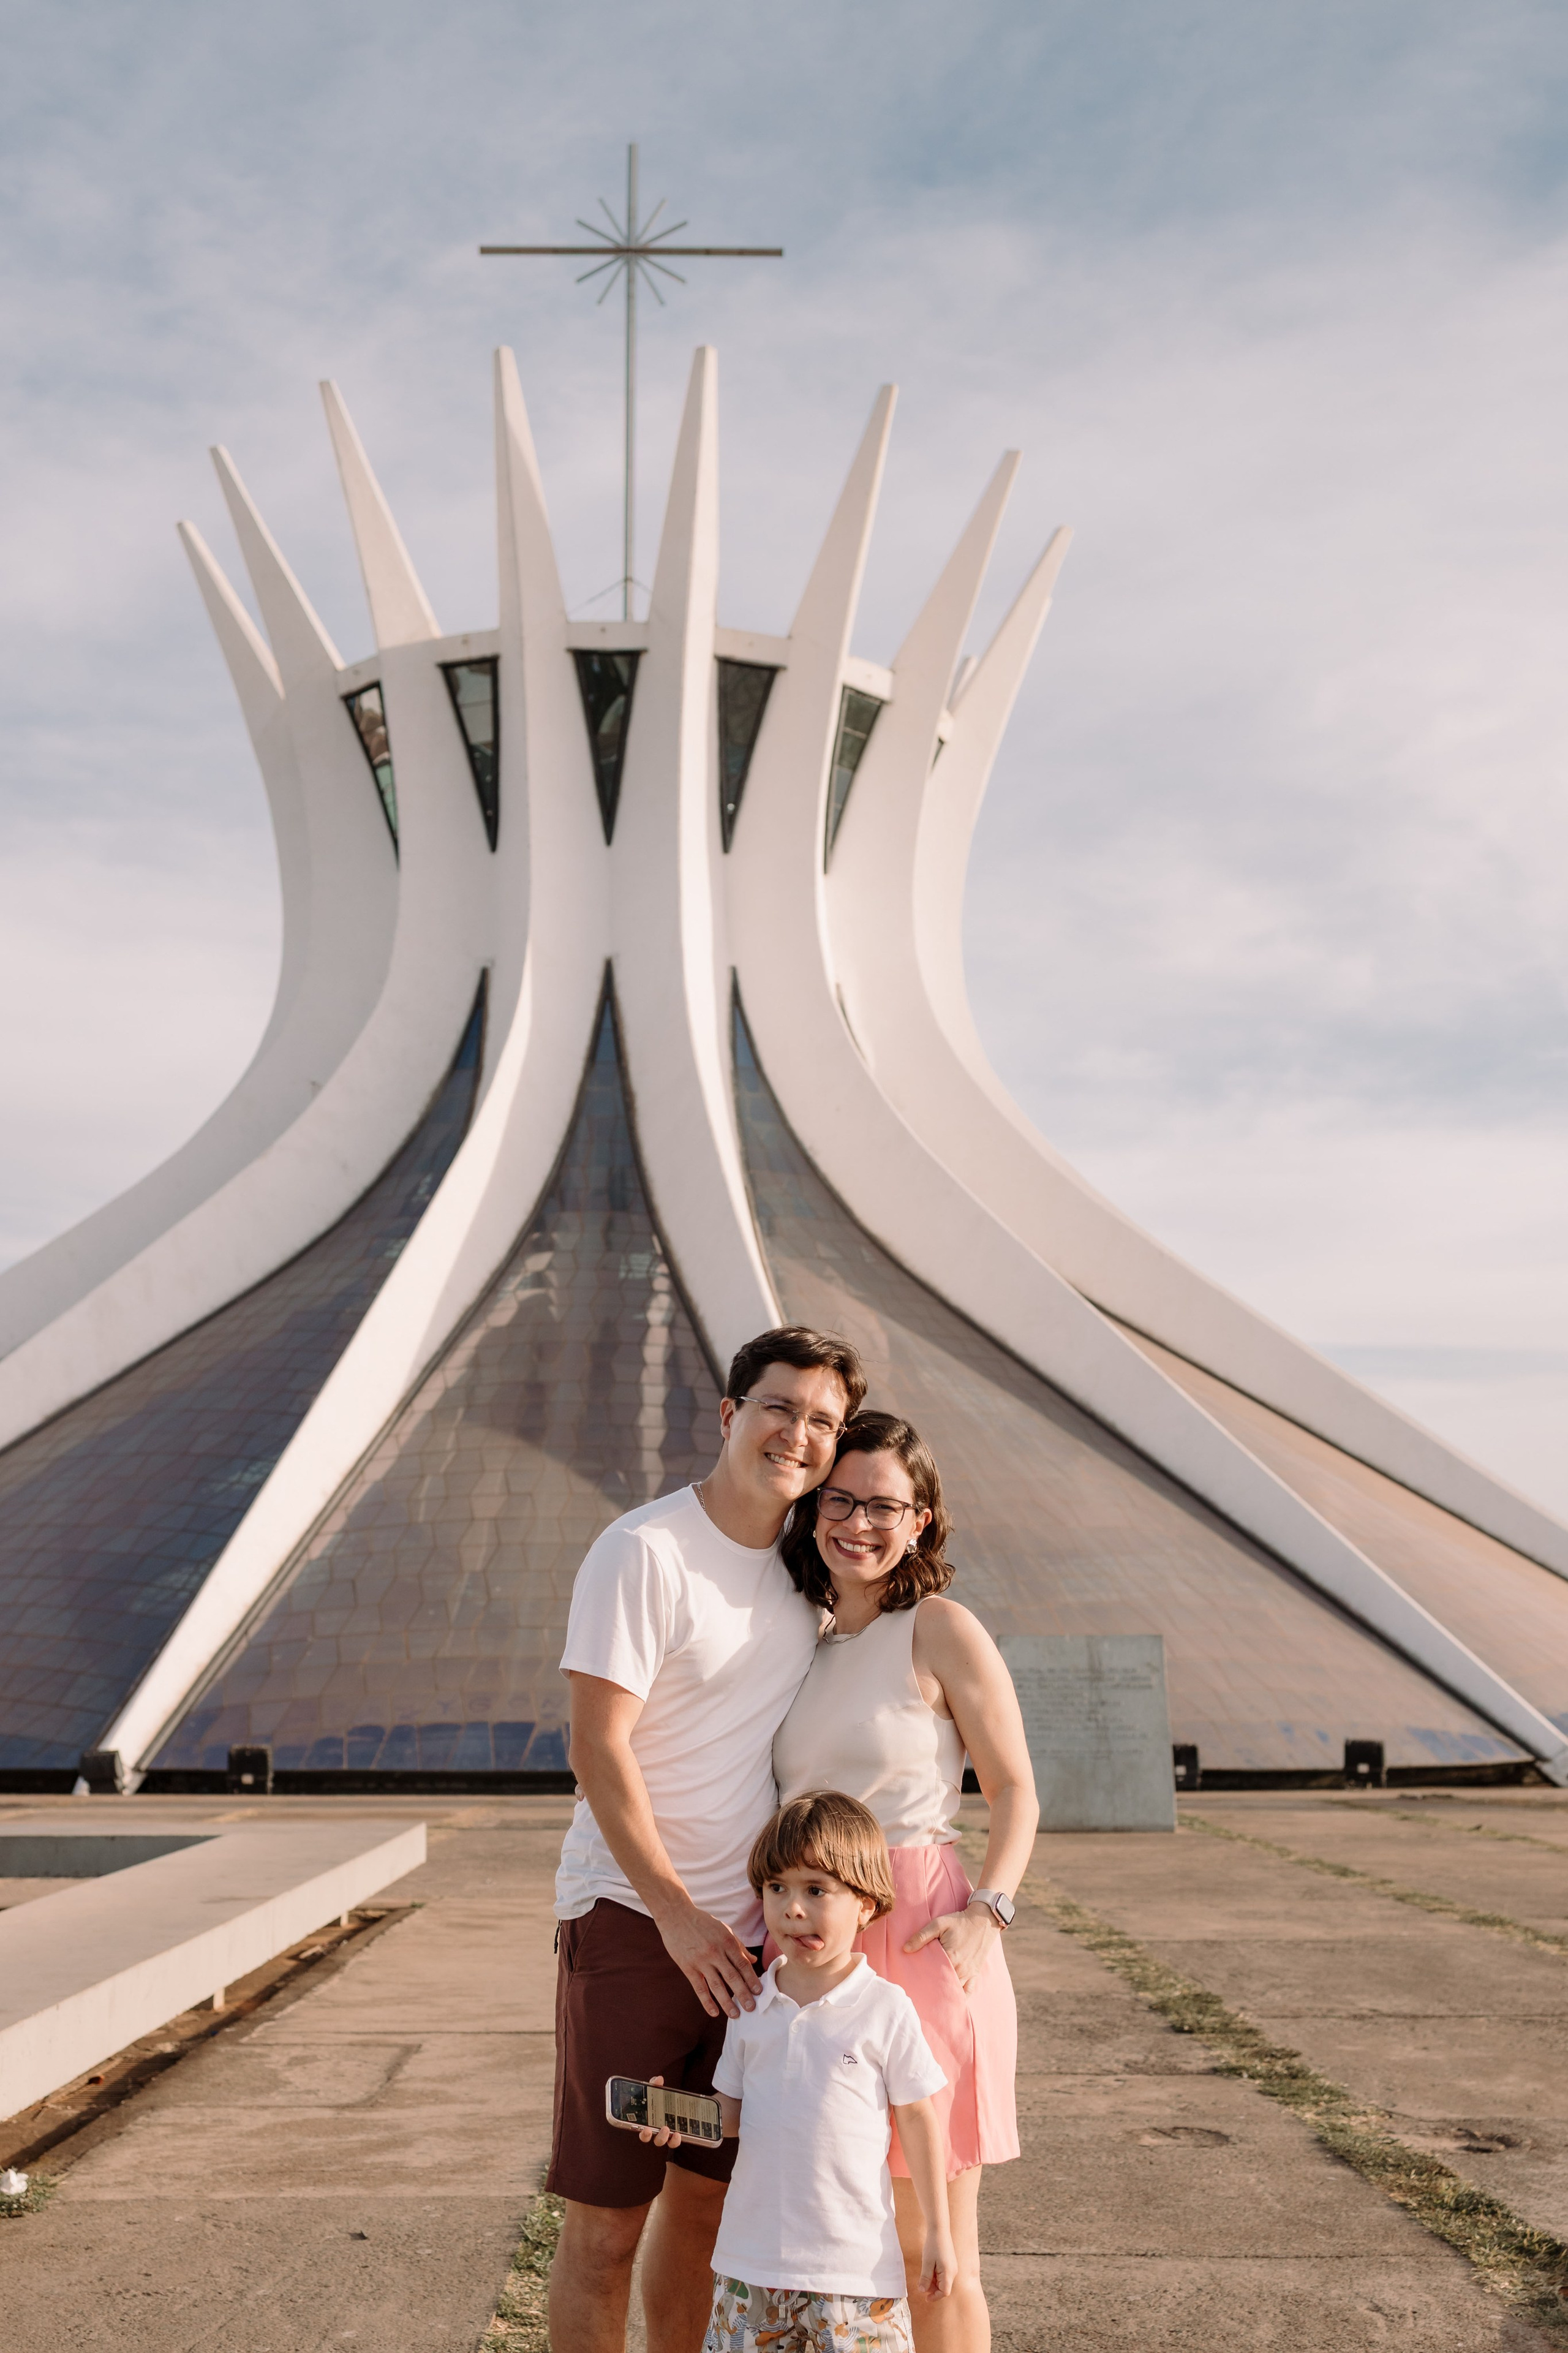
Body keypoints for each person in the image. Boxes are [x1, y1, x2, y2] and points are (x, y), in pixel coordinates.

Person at [548, 1325, 867, 2353]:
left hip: (755, 1951)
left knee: (703, 2225)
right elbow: (598, 1748)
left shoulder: (802, 1573)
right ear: (731, 1415)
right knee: (606, 2229)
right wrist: (679, 1917)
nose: (799, 1434)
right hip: (641, 1926)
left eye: (823, 1421)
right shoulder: (643, 1551)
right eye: (781, 1407)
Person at [773, 1412, 1039, 2353]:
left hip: (922, 1927)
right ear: (812, 1510)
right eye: (840, 1500)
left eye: (885, 1504)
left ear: (921, 1519)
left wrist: (987, 1914)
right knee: (841, 2229)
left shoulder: (940, 1628)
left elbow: (1015, 1789)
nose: (859, 1522)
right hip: (811, 1940)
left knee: (933, 2239)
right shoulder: (793, 1636)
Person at [639, 1791, 957, 2353]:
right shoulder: (751, 2005)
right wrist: (679, 2121)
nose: (792, 1908)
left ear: (866, 1904)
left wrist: (938, 2231)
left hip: (857, 2278)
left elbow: (918, 2118)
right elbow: (730, 2113)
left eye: (816, 1889)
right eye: (776, 1888)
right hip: (749, 2267)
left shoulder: (885, 2007)